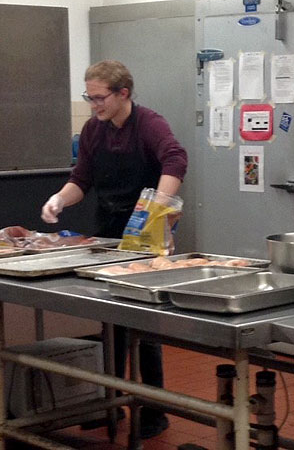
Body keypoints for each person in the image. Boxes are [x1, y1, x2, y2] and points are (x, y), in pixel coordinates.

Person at [40, 60, 187, 439]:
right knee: (109, 319)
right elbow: (81, 180)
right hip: (108, 231)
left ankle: (155, 410)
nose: (94, 104)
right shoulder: (93, 130)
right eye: (89, 97)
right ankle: (110, 402)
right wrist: (59, 199)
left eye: (99, 97)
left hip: (146, 234)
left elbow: (175, 159)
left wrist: (156, 207)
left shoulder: (150, 124)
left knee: (143, 324)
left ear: (124, 93)